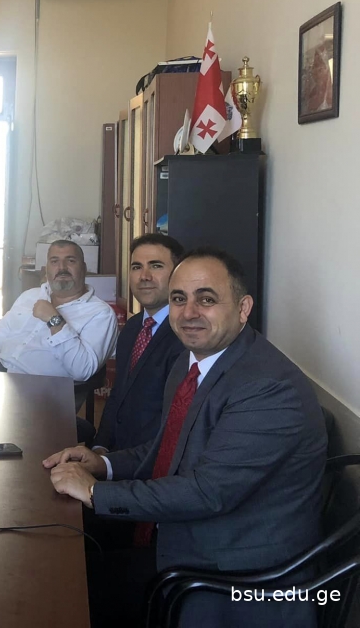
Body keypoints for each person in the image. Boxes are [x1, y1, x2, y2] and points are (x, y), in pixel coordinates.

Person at [43, 248, 327, 628]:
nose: (189, 312)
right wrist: (104, 464)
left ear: (243, 308)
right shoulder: (192, 360)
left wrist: (96, 492)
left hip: (232, 574)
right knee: (56, 549)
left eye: (206, 300)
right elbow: (168, 446)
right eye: (179, 299)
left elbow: (207, 492)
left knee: (65, 591)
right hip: (183, 534)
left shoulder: (268, 388)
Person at [0, 240, 117, 383]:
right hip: (0, 377)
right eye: (54, 261)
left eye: (71, 261)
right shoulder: (29, 296)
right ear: (46, 270)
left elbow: (83, 370)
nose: (62, 268)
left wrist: (54, 319)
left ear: (84, 268)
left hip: (43, 390)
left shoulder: (100, 313)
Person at [91, 233, 185, 452]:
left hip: (151, 461)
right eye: (136, 267)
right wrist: (100, 447)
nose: (144, 276)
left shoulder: (187, 334)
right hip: (116, 455)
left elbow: (174, 423)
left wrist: (112, 464)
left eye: (156, 266)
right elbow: (118, 395)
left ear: (179, 274)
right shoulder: (132, 328)